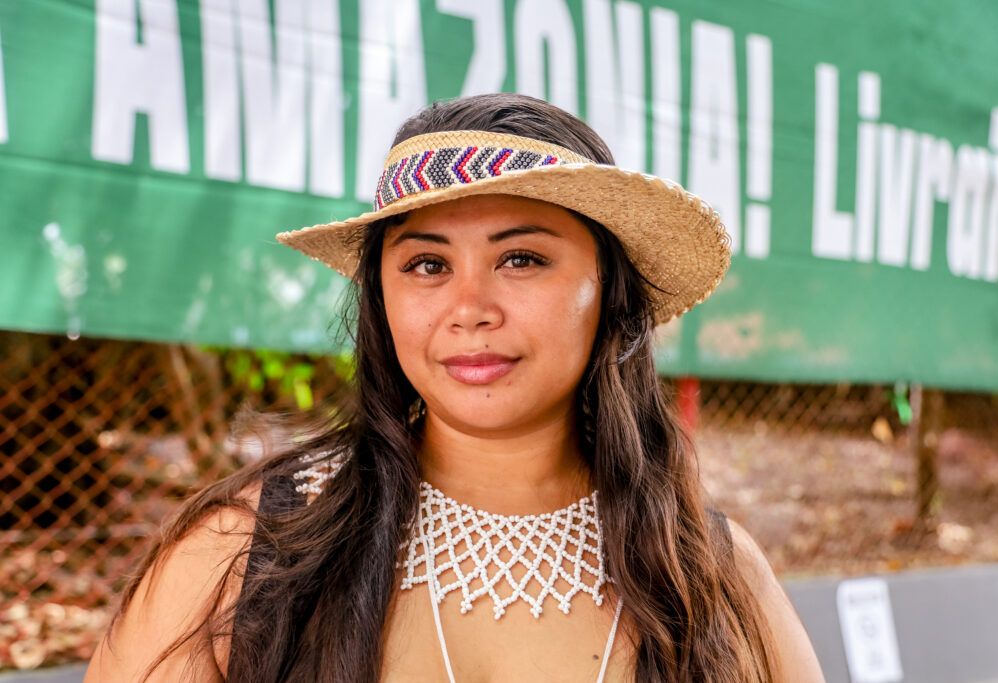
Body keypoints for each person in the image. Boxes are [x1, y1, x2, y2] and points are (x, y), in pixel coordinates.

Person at [84, 93, 824, 682]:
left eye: (523, 258)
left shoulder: (715, 576)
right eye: (427, 265)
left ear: (609, 292)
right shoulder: (250, 549)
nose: (470, 308)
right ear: (382, 299)